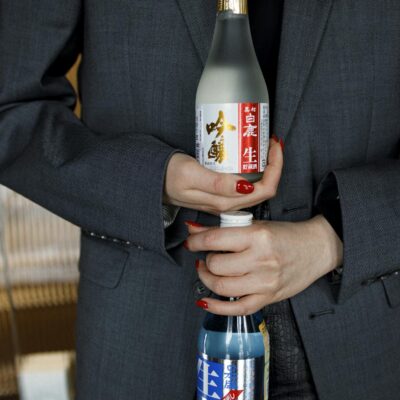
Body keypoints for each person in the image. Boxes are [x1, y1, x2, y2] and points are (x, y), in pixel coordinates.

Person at [1, 0, 399, 399]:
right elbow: (11, 108)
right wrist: (155, 181)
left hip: (362, 338)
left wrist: (332, 239)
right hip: (143, 340)